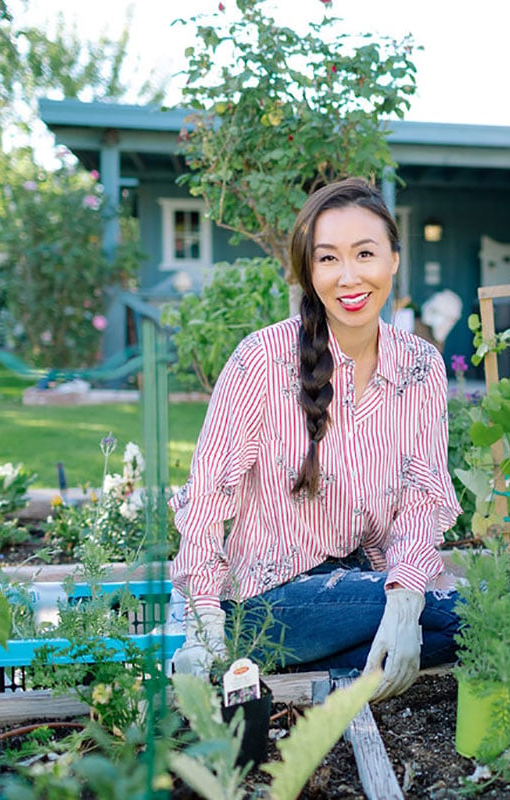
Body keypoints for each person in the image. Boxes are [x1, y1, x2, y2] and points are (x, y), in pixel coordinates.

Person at [168, 177, 463, 701]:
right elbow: (209, 494)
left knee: (432, 622)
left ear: (394, 259)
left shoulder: (420, 366)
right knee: (469, 614)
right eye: (328, 259)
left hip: (356, 583)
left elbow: (422, 495)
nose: (349, 277)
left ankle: (349, 655)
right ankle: (258, 647)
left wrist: (404, 594)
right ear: (309, 271)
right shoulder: (262, 359)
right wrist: (202, 619)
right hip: (267, 599)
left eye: (365, 254)